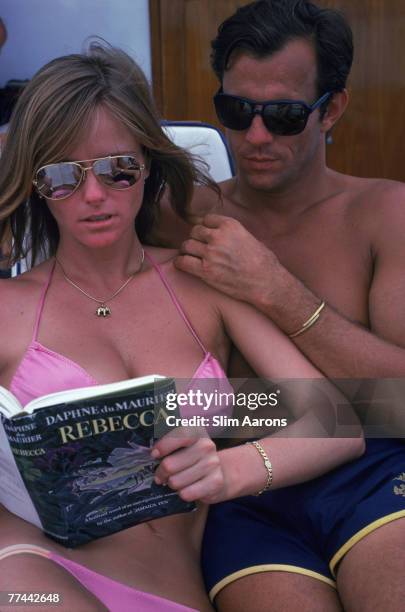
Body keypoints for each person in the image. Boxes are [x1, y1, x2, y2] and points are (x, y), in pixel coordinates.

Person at [0, 43, 363, 612]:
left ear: (147, 163)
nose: (93, 195)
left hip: (173, 590)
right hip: (31, 579)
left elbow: (338, 423)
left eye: (117, 169)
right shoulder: (6, 305)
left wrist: (227, 469)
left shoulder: (202, 282)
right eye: (63, 176)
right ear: (37, 185)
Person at [151, 1, 405, 611]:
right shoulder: (176, 219)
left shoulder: (382, 215)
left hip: (372, 471)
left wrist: (278, 292)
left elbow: (400, 405)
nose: (256, 137)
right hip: (241, 491)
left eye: (286, 116)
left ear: (332, 109)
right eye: (236, 113)